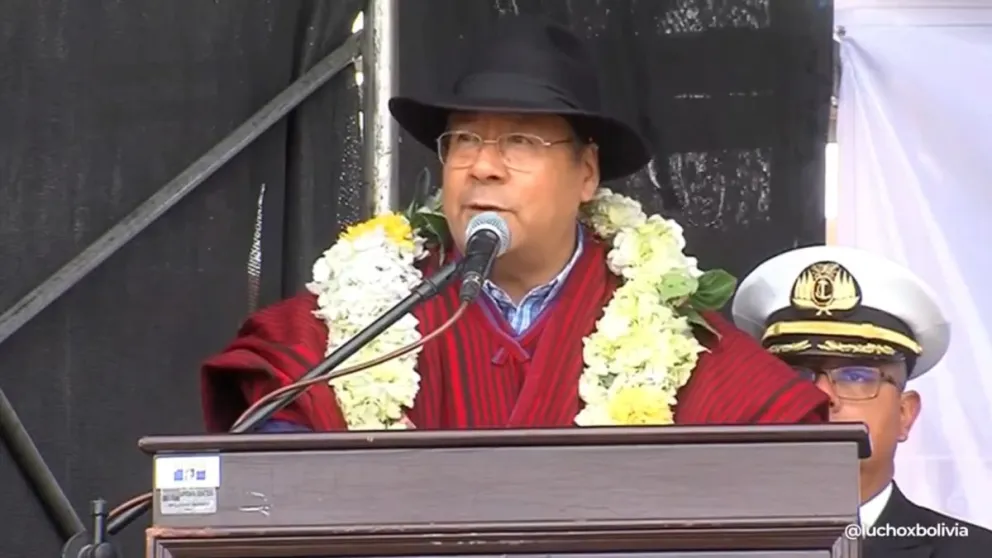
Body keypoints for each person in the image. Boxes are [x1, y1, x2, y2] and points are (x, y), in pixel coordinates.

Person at [200, 17, 830, 433]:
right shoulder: (369, 311)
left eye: (521, 141)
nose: (483, 166)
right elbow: (276, 413)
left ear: (586, 173)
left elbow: (775, 428)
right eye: (464, 139)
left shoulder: (662, 326)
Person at [732, 245, 992, 557]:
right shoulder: (711, 549)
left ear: (904, 414)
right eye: (797, 376)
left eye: (856, 376)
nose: (820, 396)